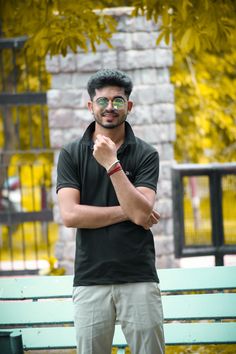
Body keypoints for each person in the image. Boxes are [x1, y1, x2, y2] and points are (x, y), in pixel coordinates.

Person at [56, 69, 165, 354]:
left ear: (129, 106)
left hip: (138, 276)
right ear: (90, 105)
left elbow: (142, 216)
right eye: (102, 100)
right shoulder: (71, 154)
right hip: (91, 279)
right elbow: (70, 215)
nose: (109, 108)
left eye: (118, 101)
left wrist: (112, 165)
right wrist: (129, 209)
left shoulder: (146, 154)